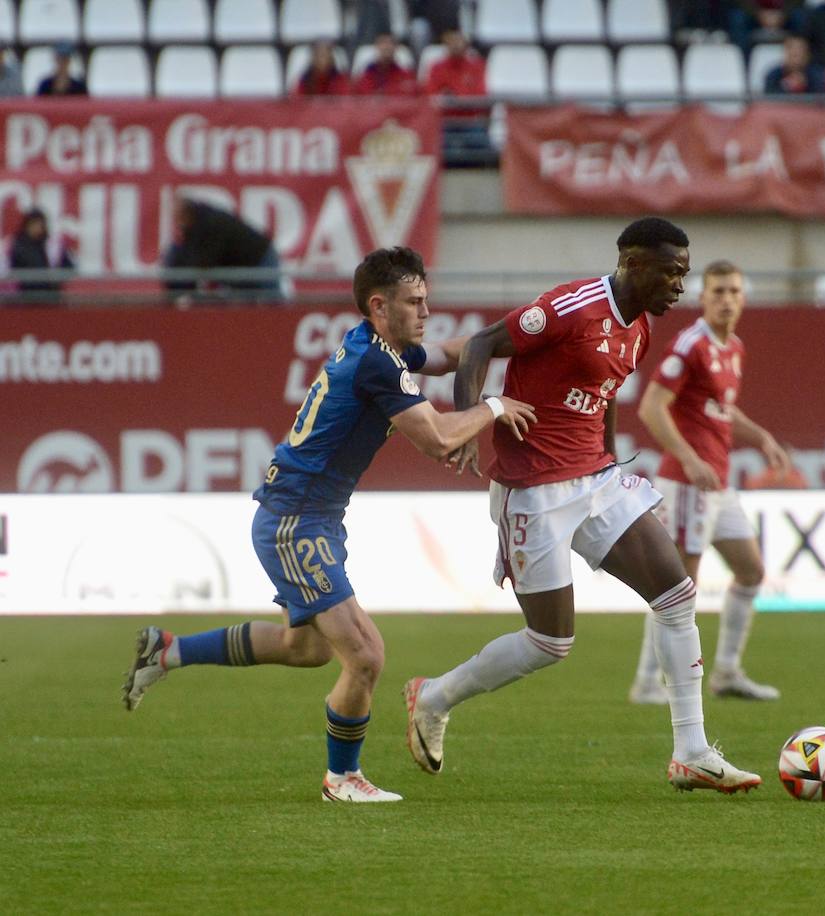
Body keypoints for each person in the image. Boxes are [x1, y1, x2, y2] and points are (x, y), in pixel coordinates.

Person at [121, 247, 537, 803]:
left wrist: (521, 335)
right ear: (378, 305)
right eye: (414, 302)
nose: (426, 311)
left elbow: (451, 352)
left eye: (426, 300)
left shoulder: (378, 345)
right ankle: (342, 779)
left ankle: (168, 650)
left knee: (307, 649)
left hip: (311, 517)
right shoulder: (377, 363)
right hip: (296, 521)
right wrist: (490, 407)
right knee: (365, 655)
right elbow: (437, 438)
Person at [402, 217, 761, 794]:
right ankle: (435, 696)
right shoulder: (571, 307)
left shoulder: (640, 328)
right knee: (550, 642)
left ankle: (692, 751)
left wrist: (612, 461)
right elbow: (481, 344)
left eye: (685, 275)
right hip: (534, 488)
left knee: (676, 594)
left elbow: (607, 390)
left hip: (595, 479)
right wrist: (467, 422)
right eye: (672, 273)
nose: (679, 286)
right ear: (633, 264)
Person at [627, 260, 791, 706]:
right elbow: (651, 408)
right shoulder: (691, 344)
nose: (726, 299)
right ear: (702, 297)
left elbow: (722, 410)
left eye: (734, 291)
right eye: (717, 291)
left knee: (751, 570)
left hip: (718, 484)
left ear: (743, 298)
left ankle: (727, 673)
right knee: (678, 587)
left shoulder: (733, 347)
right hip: (687, 484)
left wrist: (762, 437)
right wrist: (686, 456)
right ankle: (646, 682)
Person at [162, 196, 284, 301]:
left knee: (272, 302)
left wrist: (191, 272)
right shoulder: (193, 230)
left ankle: (283, 325)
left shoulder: (211, 223)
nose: (177, 222)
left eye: (178, 217)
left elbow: (207, 261)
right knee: (246, 310)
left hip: (261, 257)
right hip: (240, 267)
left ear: (186, 214)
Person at [7, 208, 74, 303]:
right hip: (26, 299)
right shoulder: (18, 246)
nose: (37, 227)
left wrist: (56, 278)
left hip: (52, 298)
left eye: (40, 224)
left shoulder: (52, 246)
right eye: (33, 224)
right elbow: (14, 270)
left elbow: (69, 267)